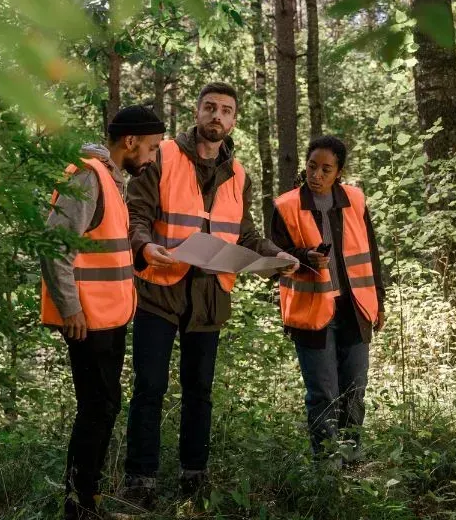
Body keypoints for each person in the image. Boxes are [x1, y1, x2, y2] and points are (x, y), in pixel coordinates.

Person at [122, 82, 299, 508]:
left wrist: (278, 255)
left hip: (210, 296)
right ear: (197, 112)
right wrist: (145, 248)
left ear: (234, 120)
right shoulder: (161, 155)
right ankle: (140, 480)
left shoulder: (239, 174)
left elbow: (247, 234)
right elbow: (137, 216)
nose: (217, 116)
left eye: (226, 110)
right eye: (209, 108)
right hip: (159, 290)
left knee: (199, 388)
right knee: (149, 386)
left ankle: (193, 476)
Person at [39, 105, 165, 520]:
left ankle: (84, 502)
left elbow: (106, 246)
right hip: (86, 319)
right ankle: (79, 508)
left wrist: (146, 255)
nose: (150, 157)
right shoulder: (88, 176)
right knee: (98, 407)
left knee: (103, 406)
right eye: (150, 148)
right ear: (130, 142)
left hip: (107, 317)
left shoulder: (109, 179)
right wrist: (70, 308)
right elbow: (56, 245)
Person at [271, 135, 386, 463]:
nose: (316, 174)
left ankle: (352, 459)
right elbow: (276, 257)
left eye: (326, 169)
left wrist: (379, 300)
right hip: (311, 314)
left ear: (339, 171)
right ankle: (327, 467)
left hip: (355, 308)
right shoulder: (286, 205)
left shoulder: (356, 200)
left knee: (354, 391)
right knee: (323, 394)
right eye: (311, 166)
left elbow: (371, 254)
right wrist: (304, 257)